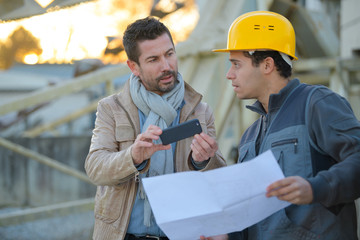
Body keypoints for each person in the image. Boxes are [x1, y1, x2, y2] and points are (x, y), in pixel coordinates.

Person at [205, 10, 360, 240]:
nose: (229, 74)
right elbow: (255, 218)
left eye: (236, 64)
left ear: (267, 64)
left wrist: (314, 188)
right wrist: (228, 236)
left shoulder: (316, 104)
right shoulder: (249, 136)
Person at [85, 16, 226, 240]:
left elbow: (218, 179)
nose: (166, 66)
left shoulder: (201, 110)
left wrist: (203, 161)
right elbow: (95, 168)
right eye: (153, 60)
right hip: (124, 235)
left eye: (169, 54)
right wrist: (133, 156)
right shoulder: (111, 108)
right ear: (134, 67)